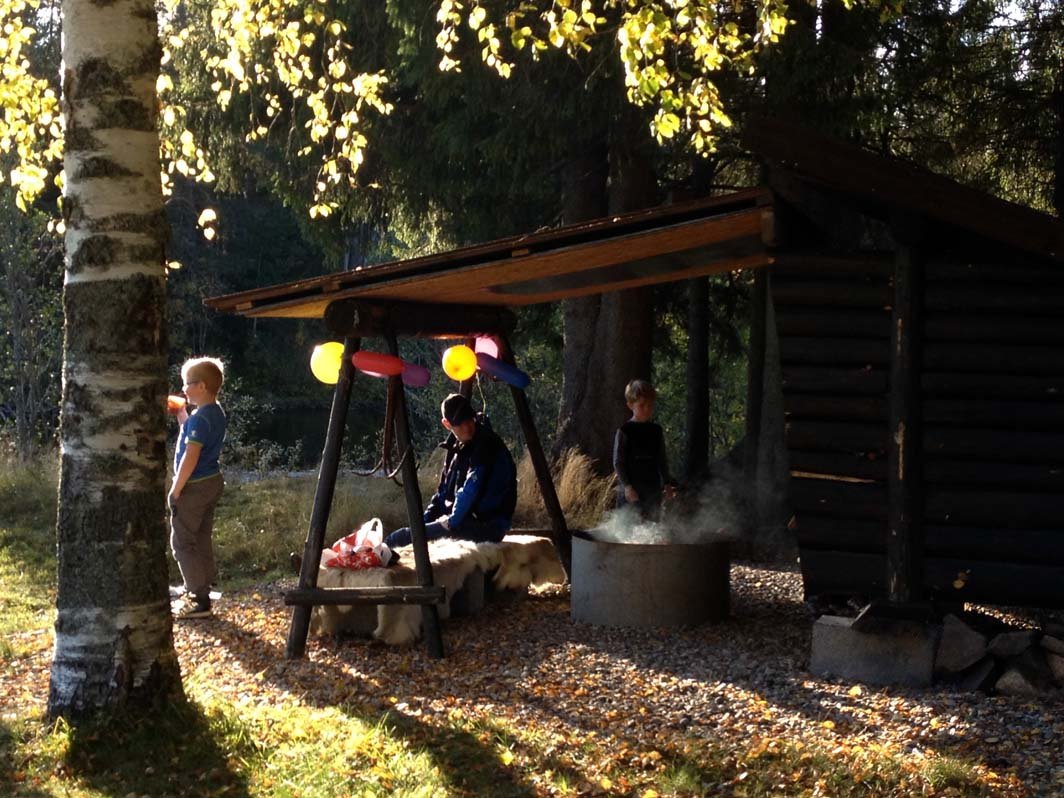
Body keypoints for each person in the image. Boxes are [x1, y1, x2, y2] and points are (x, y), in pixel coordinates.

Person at [385, 393, 517, 550]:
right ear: (447, 424)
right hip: (467, 521)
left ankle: (376, 553)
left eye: (469, 420)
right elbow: (443, 493)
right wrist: (423, 524)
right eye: (460, 424)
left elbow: (471, 490)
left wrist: (450, 523)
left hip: (489, 526)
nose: (467, 427)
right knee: (408, 535)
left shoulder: (486, 444)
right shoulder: (455, 447)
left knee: (400, 538)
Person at [169, 356, 227, 620]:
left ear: (201, 386)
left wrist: (176, 489)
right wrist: (181, 414)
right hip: (212, 481)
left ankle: (197, 598)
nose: (183, 389)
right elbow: (193, 436)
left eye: (187, 384)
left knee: (182, 541)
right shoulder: (214, 412)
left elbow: (191, 456)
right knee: (201, 535)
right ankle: (203, 583)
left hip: (195, 486)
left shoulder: (200, 419)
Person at [613, 379, 677, 521]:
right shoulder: (624, 431)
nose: (647, 409)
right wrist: (627, 487)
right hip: (631, 491)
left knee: (651, 527)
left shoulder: (656, 431)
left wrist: (667, 484)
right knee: (628, 527)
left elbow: (661, 459)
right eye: (642, 405)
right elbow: (618, 462)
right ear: (630, 405)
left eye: (650, 405)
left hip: (652, 490)